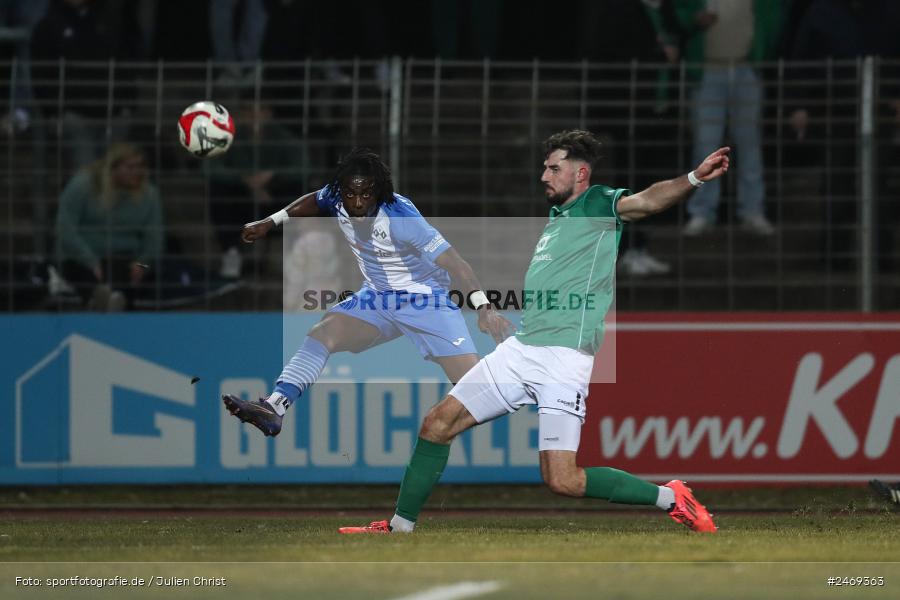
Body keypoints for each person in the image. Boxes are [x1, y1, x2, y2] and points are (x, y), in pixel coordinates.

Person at [339, 130, 728, 535]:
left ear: (581, 174)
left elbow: (648, 200)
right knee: (437, 423)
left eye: (554, 168)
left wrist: (695, 178)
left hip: (564, 358)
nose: (544, 175)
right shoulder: (557, 219)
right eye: (544, 167)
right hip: (522, 349)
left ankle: (671, 497)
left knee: (563, 480)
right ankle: (399, 526)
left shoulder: (598, 204)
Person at [222, 148, 512, 437]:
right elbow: (314, 200)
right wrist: (270, 221)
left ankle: (530, 383)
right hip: (376, 297)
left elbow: (457, 265)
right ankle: (275, 406)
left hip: (425, 301)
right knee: (324, 333)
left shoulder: (403, 218)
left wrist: (485, 309)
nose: (357, 203)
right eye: (350, 195)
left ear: (379, 192)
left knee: (479, 393)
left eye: (366, 195)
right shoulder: (338, 195)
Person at [675, 0, 781, 236]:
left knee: (750, 144)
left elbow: (772, 17)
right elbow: (679, 13)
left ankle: (753, 210)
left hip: (746, 67)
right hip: (708, 69)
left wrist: (763, 51)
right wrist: (695, 21)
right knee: (705, 145)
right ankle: (702, 212)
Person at [55, 143, 162, 311]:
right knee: (89, 273)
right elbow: (65, 228)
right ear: (113, 167)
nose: (137, 172)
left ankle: (104, 302)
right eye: (130, 167)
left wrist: (142, 264)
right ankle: (106, 301)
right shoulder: (83, 185)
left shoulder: (150, 194)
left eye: (141, 166)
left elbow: (155, 241)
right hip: (83, 257)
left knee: (128, 273)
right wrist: (90, 261)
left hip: (126, 260)